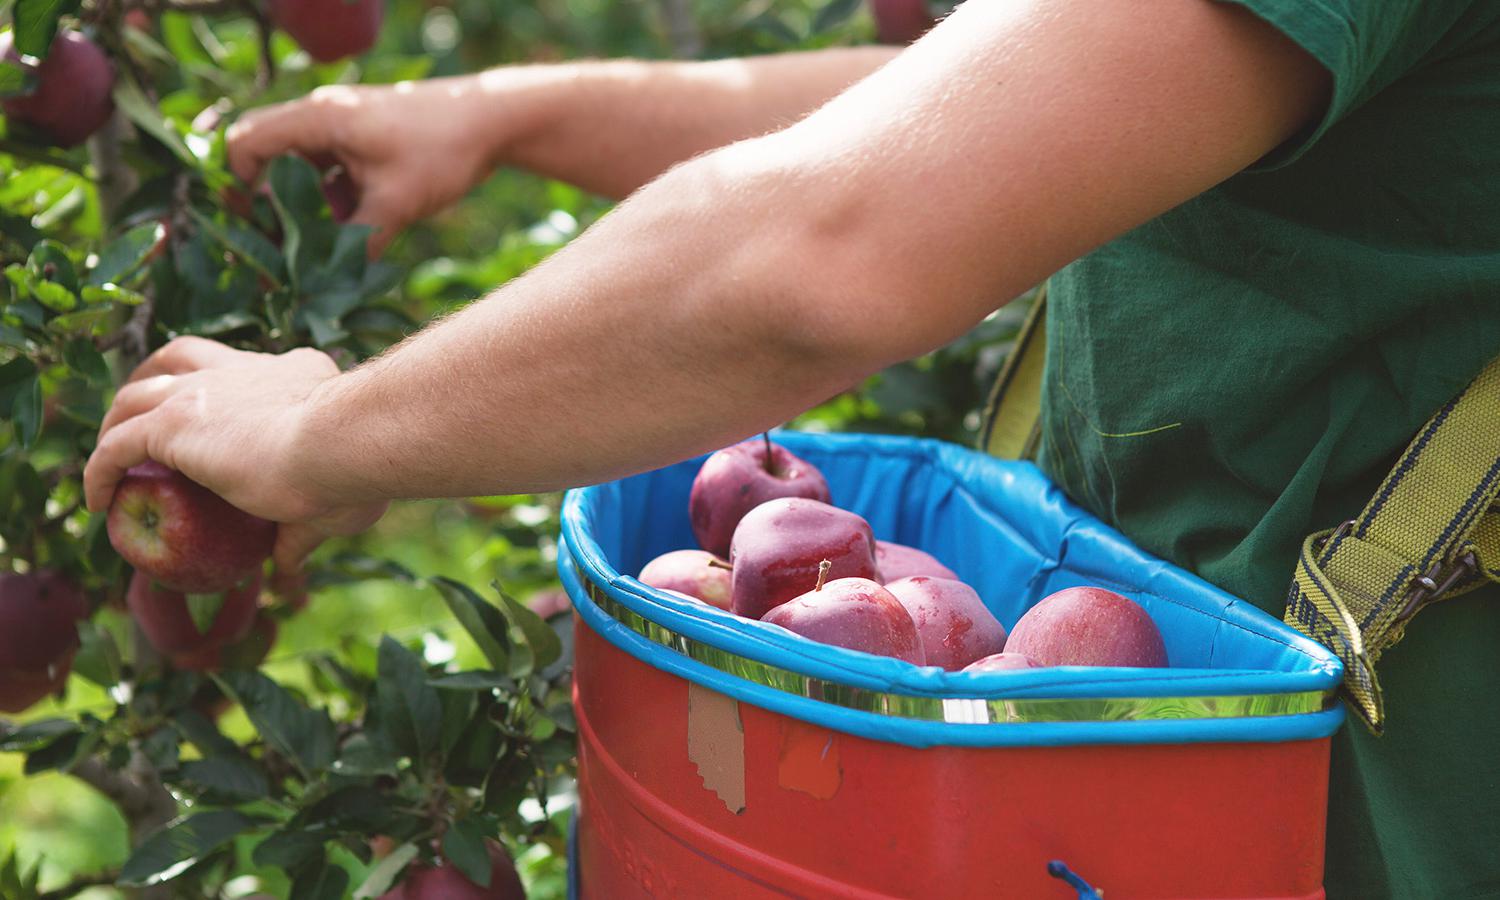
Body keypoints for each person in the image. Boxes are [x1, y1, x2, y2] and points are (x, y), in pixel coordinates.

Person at [81, 1, 1500, 895]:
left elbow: (830, 247)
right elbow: (972, 92)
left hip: (1360, 829)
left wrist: (328, 433)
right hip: (1075, 802)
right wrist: (506, 114)